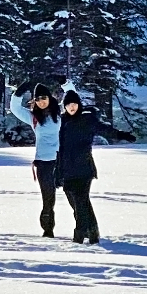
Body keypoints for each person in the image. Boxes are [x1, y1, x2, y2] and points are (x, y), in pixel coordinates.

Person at [10, 82, 62, 236]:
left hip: (62, 161)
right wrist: (20, 91)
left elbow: (74, 102)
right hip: (43, 163)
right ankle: (48, 230)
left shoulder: (60, 114)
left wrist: (67, 85)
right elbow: (15, 108)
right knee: (48, 198)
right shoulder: (33, 117)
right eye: (37, 99)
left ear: (50, 98)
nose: (41, 101)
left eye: (43, 97)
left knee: (74, 196)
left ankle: (82, 227)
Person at [55, 88, 102, 245]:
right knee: (78, 202)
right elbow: (59, 149)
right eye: (69, 105)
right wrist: (57, 171)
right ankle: (93, 231)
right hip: (67, 170)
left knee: (81, 201)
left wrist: (122, 135)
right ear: (65, 106)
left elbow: (104, 129)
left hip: (84, 169)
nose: (72, 107)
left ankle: (80, 235)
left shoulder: (87, 120)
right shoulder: (61, 122)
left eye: (74, 104)